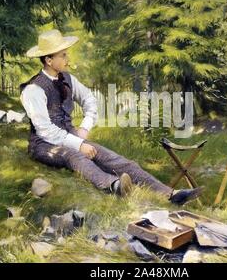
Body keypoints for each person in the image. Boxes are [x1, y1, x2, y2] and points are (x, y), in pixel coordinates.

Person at [20, 29, 202, 205]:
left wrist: (84, 127)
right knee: (75, 157)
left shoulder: (68, 79)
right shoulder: (33, 89)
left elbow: (89, 99)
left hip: (71, 137)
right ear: (49, 60)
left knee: (114, 159)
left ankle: (170, 195)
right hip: (44, 145)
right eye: (63, 55)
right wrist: (78, 144)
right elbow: (45, 130)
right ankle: (115, 186)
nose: (68, 59)